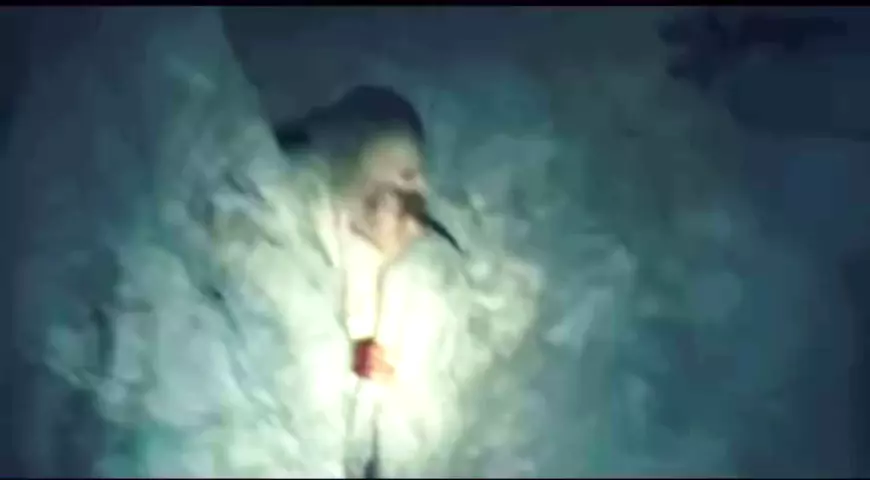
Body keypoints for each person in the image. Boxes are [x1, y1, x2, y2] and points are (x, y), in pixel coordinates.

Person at [271, 85, 461, 477]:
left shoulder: (418, 263)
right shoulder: (311, 225)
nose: (399, 206)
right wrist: (351, 360)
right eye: (382, 195)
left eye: (412, 189)